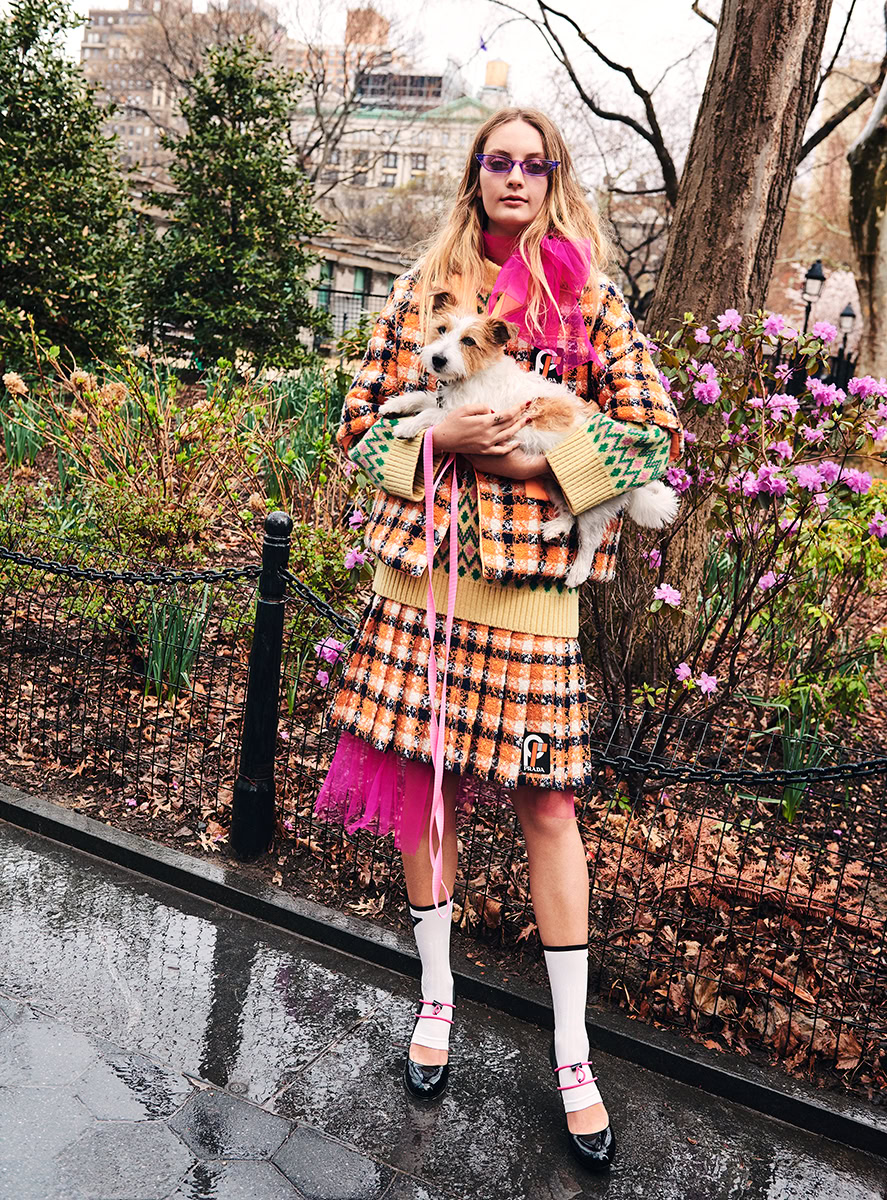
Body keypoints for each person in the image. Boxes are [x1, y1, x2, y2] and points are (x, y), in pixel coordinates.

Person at [314, 106, 684, 1174]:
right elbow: (352, 428)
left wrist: (536, 469)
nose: (513, 176)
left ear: (553, 177)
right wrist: (434, 434)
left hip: (528, 605)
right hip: (419, 587)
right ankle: (435, 1000)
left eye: (534, 163)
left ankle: (572, 1051)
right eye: (497, 160)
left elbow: (653, 435)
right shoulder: (422, 289)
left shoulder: (591, 301)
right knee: (423, 791)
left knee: (550, 806)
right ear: (474, 174)